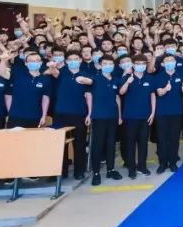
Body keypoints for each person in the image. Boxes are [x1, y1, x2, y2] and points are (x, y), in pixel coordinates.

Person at [50, 51, 93, 180]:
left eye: (76, 58)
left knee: (79, 144)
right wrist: (52, 66)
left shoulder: (85, 74)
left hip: (79, 113)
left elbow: (89, 95)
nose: (73, 61)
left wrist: (89, 113)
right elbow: (53, 72)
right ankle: (60, 171)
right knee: (59, 144)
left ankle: (79, 171)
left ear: (80, 60)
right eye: (70, 59)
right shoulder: (61, 72)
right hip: (60, 113)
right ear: (66, 61)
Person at [119, 55, 155, 179]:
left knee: (143, 143)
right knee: (130, 143)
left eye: (143, 63)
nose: (141, 65)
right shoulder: (126, 78)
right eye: (138, 63)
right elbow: (121, 92)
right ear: (133, 65)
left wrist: (153, 113)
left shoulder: (149, 78)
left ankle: (142, 166)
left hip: (145, 116)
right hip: (130, 116)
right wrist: (128, 82)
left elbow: (152, 95)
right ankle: (131, 168)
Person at [89, 56, 123, 185]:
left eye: (110, 63)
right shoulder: (94, 79)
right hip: (98, 117)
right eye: (105, 63)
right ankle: (96, 173)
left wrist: (119, 116)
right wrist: (90, 114)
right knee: (97, 145)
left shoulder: (115, 79)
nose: (108, 65)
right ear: (100, 65)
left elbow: (117, 98)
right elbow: (89, 95)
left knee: (111, 145)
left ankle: (111, 169)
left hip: (113, 117)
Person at [153, 54, 183, 173]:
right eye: (167, 61)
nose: (170, 62)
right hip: (162, 112)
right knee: (162, 138)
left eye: (172, 60)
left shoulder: (180, 75)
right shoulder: (158, 77)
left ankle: (173, 162)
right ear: (163, 64)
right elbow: (159, 93)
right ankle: (163, 163)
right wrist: (165, 89)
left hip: (176, 111)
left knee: (174, 138)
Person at [7, 52, 51, 128]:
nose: (34, 62)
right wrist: (10, 111)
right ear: (26, 63)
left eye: (37, 60)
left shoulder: (45, 79)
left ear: (41, 63)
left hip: (35, 116)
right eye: (31, 61)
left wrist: (44, 116)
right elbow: (8, 94)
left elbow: (45, 98)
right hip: (16, 116)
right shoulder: (17, 75)